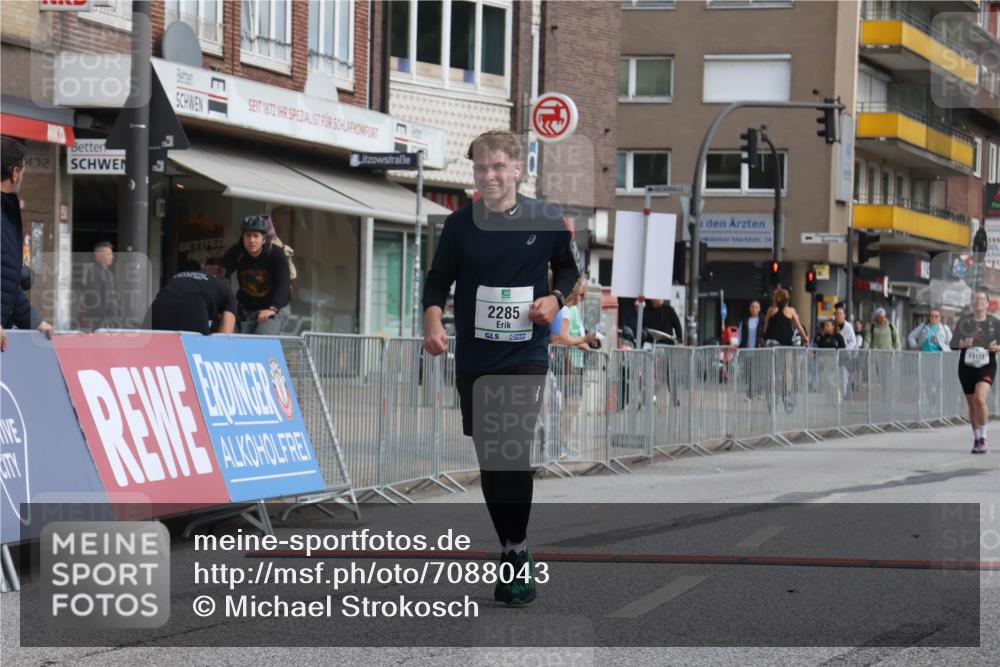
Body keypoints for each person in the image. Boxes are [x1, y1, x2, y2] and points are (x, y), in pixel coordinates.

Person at [423, 129, 579, 606]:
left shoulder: (544, 219)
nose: (487, 176)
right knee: (492, 459)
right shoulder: (459, 225)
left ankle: (516, 553)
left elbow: (570, 271)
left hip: (525, 355)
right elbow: (436, 282)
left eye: (495, 168)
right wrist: (433, 321)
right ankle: (514, 547)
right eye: (479, 169)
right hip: (476, 358)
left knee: (512, 447)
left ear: (516, 170)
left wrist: (554, 300)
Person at [1, 136, 52, 337]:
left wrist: (35, 321)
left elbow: (7, 282)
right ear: (14, 173)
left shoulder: (6, 212)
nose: (22, 176)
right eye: (22, 171)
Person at [218, 214, 291, 335]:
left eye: (256, 236)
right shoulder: (236, 252)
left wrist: (272, 308)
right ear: (243, 237)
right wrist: (222, 303)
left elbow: (283, 283)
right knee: (227, 335)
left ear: (263, 238)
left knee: (262, 337)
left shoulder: (275, 254)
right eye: (247, 235)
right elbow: (220, 276)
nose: (251, 240)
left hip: (274, 306)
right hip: (245, 307)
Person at [951, 292, 1000, 454]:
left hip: (987, 365)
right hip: (966, 366)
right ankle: (977, 438)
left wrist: (997, 348)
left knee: (980, 398)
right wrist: (963, 343)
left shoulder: (994, 322)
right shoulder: (965, 321)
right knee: (972, 405)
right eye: (976, 299)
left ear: (987, 303)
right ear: (972, 303)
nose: (979, 301)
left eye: (982, 299)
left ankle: (984, 438)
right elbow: (953, 344)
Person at [149, 260, 237, 335]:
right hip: (193, 305)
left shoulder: (178, 277)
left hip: (158, 307)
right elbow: (224, 338)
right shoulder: (226, 291)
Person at [79, 241, 123, 331]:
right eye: (108, 254)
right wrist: (105, 314)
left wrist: (117, 312)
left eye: (111, 254)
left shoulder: (109, 273)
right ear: (98, 255)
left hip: (111, 319)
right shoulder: (94, 272)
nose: (111, 257)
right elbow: (93, 297)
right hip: (100, 320)